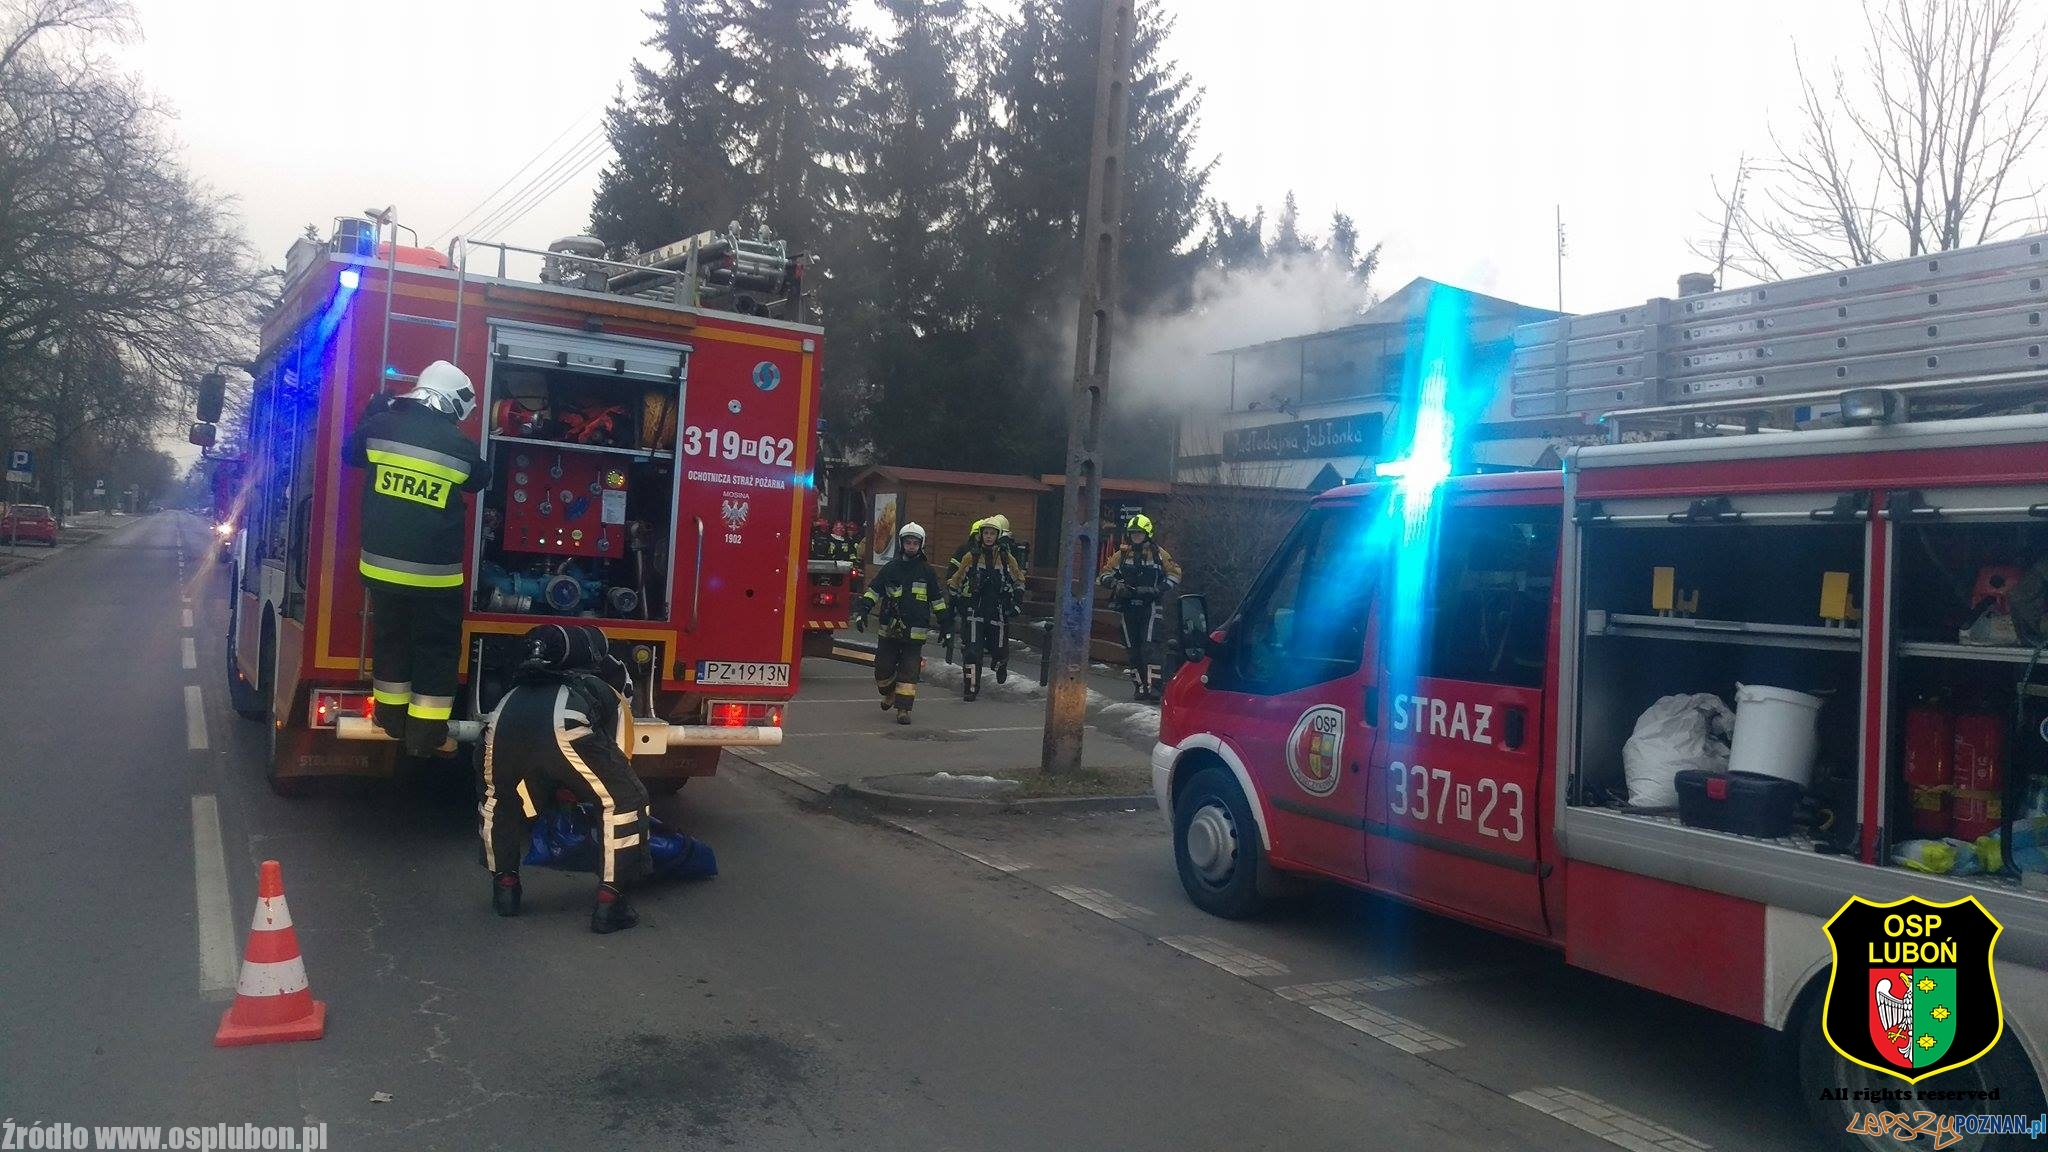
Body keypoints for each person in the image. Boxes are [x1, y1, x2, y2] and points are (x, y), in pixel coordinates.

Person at [342, 360, 490, 755]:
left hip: (381, 570)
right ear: (454, 401)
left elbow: (350, 453)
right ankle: (425, 737)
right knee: (436, 650)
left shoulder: (380, 428)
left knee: (391, 639)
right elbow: (480, 478)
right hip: (435, 577)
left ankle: (390, 719)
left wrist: (373, 411)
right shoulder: (458, 446)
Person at [478, 624, 649, 933]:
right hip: (566, 727)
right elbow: (620, 757)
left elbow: (535, 769)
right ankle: (612, 901)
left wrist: (551, 793)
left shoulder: (523, 686)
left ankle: (505, 888)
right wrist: (585, 793)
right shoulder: (608, 691)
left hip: (501, 723)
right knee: (625, 799)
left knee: (498, 799)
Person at [856, 522, 947, 724]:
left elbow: (938, 601)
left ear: (920, 545)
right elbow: (874, 591)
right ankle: (889, 692)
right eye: (908, 542)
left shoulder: (927, 572)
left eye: (915, 543)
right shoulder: (890, 569)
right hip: (889, 629)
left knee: (908, 672)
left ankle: (903, 710)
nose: (912, 546)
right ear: (902, 544)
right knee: (882, 670)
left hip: (915, 632)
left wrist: (946, 626)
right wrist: (863, 611)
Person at [1097, 514, 1182, 702]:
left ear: (1147, 533)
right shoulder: (1122, 554)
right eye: (1133, 533)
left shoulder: (1159, 554)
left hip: (1150, 606)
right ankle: (1140, 687)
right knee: (1132, 649)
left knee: (1151, 647)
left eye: (1139, 533)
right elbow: (1103, 574)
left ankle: (1155, 688)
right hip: (1128, 607)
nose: (1136, 536)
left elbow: (1175, 574)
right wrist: (1116, 585)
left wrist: (1157, 589)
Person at [949, 519, 1025, 701]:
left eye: (992, 533)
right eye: (986, 533)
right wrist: (955, 604)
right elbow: (955, 581)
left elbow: (1019, 580)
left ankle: (1000, 663)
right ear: (980, 535)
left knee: (998, 649)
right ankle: (971, 689)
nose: (988, 536)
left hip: (998, 610)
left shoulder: (1006, 558)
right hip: (975, 610)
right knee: (972, 652)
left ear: (998, 536)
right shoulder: (971, 557)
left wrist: (1016, 604)